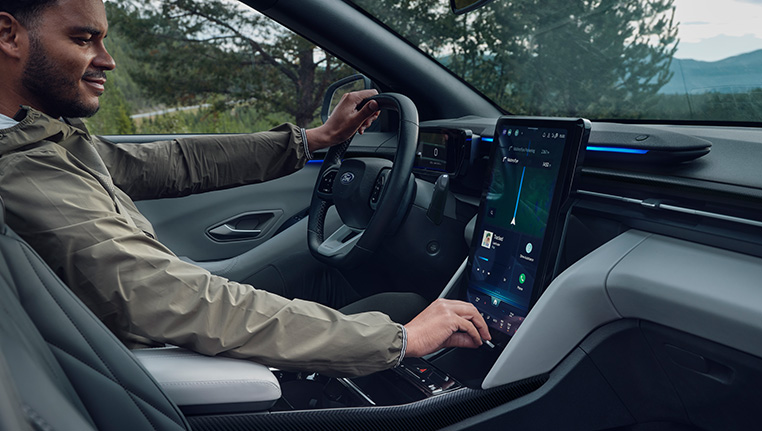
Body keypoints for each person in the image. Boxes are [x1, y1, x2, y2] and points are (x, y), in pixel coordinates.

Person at [0, 0, 490, 377]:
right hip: (141, 366)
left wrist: (312, 141)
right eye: (84, 38)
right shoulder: (24, 170)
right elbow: (166, 298)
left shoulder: (41, 138)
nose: (107, 61)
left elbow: (170, 162)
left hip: (125, 337)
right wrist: (398, 339)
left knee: (333, 283)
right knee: (404, 309)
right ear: (8, 34)